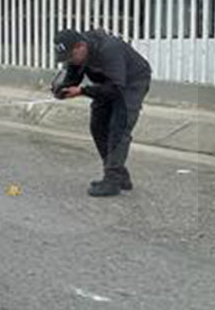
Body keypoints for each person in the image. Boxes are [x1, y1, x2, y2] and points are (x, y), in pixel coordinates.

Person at [52, 28, 152, 197]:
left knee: (119, 127)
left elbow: (116, 88)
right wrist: (62, 89)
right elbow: (73, 78)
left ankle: (112, 181)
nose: (70, 61)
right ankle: (118, 174)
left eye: (70, 57)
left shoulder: (109, 49)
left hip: (131, 82)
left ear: (81, 46)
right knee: (98, 125)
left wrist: (83, 91)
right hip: (108, 83)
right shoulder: (77, 56)